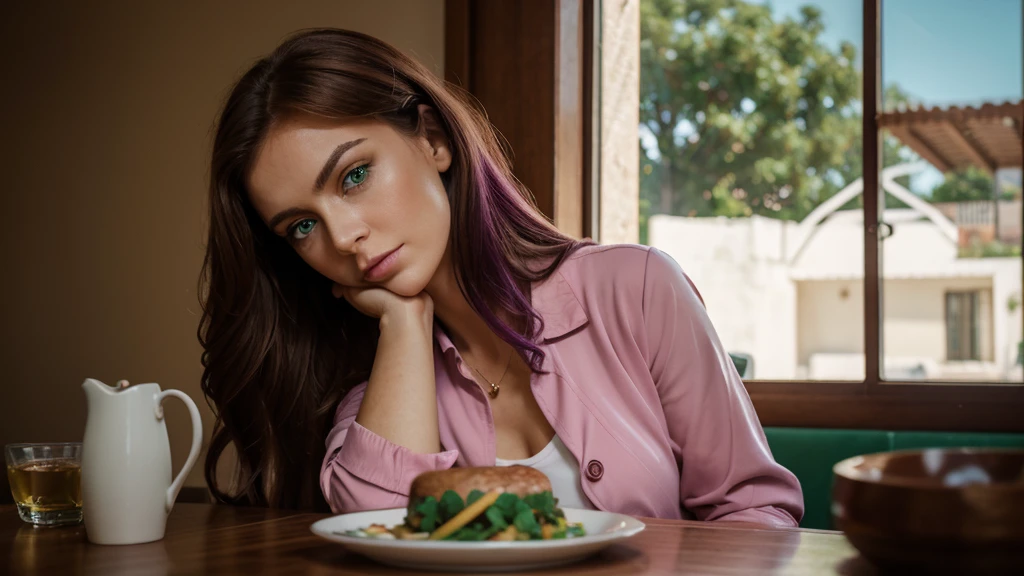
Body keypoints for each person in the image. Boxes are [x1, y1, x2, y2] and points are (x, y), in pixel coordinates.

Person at [200, 28, 803, 526]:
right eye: (301, 226)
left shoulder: (637, 289)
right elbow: (381, 544)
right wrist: (406, 325)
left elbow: (755, 510)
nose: (341, 237)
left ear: (433, 139)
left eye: (354, 176)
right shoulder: (364, 382)